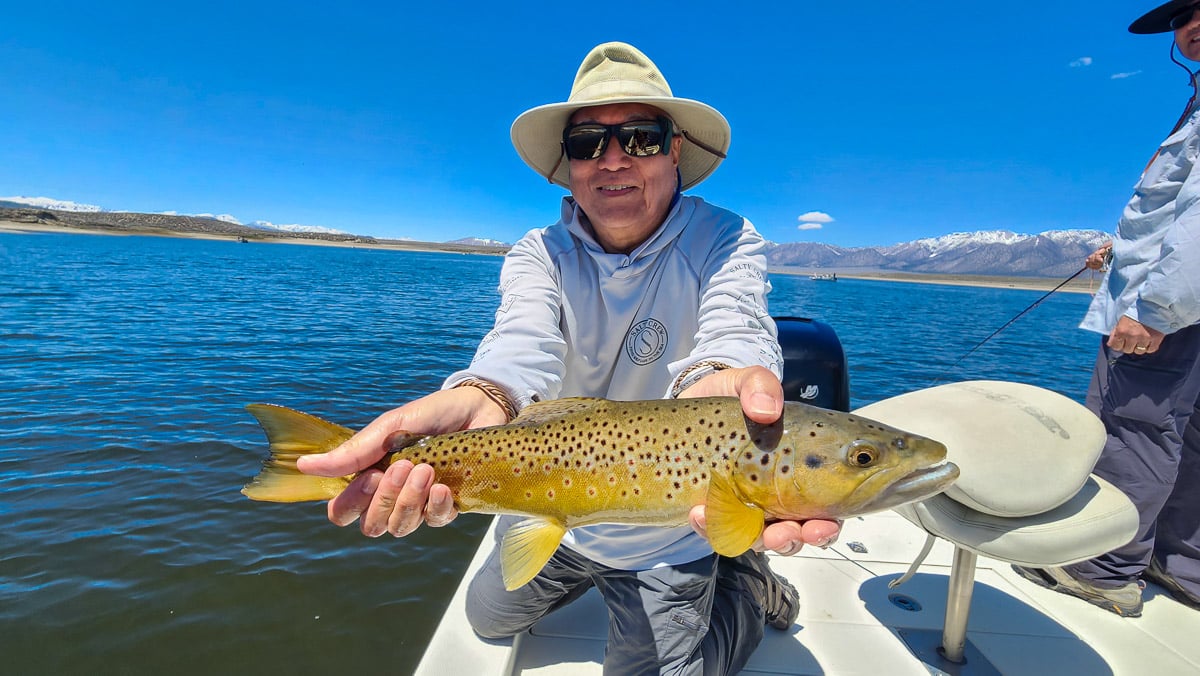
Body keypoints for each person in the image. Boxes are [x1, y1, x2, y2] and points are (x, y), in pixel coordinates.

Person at [296, 42, 842, 673]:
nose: (613, 159)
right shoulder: (537, 253)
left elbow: (735, 328)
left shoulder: (725, 238)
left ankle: (745, 583)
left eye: (639, 137)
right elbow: (521, 343)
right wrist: (486, 395)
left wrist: (720, 382)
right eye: (588, 143)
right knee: (485, 620)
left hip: (675, 528)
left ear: (674, 150)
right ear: (570, 163)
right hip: (553, 510)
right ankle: (593, 572)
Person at [1013, 1, 1200, 618]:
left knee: (1134, 432)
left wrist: (1155, 306)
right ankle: (1180, 563)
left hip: (1169, 312)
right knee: (1186, 438)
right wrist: (1123, 251)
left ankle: (1104, 567)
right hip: (1182, 305)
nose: (1191, 22)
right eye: (1185, 13)